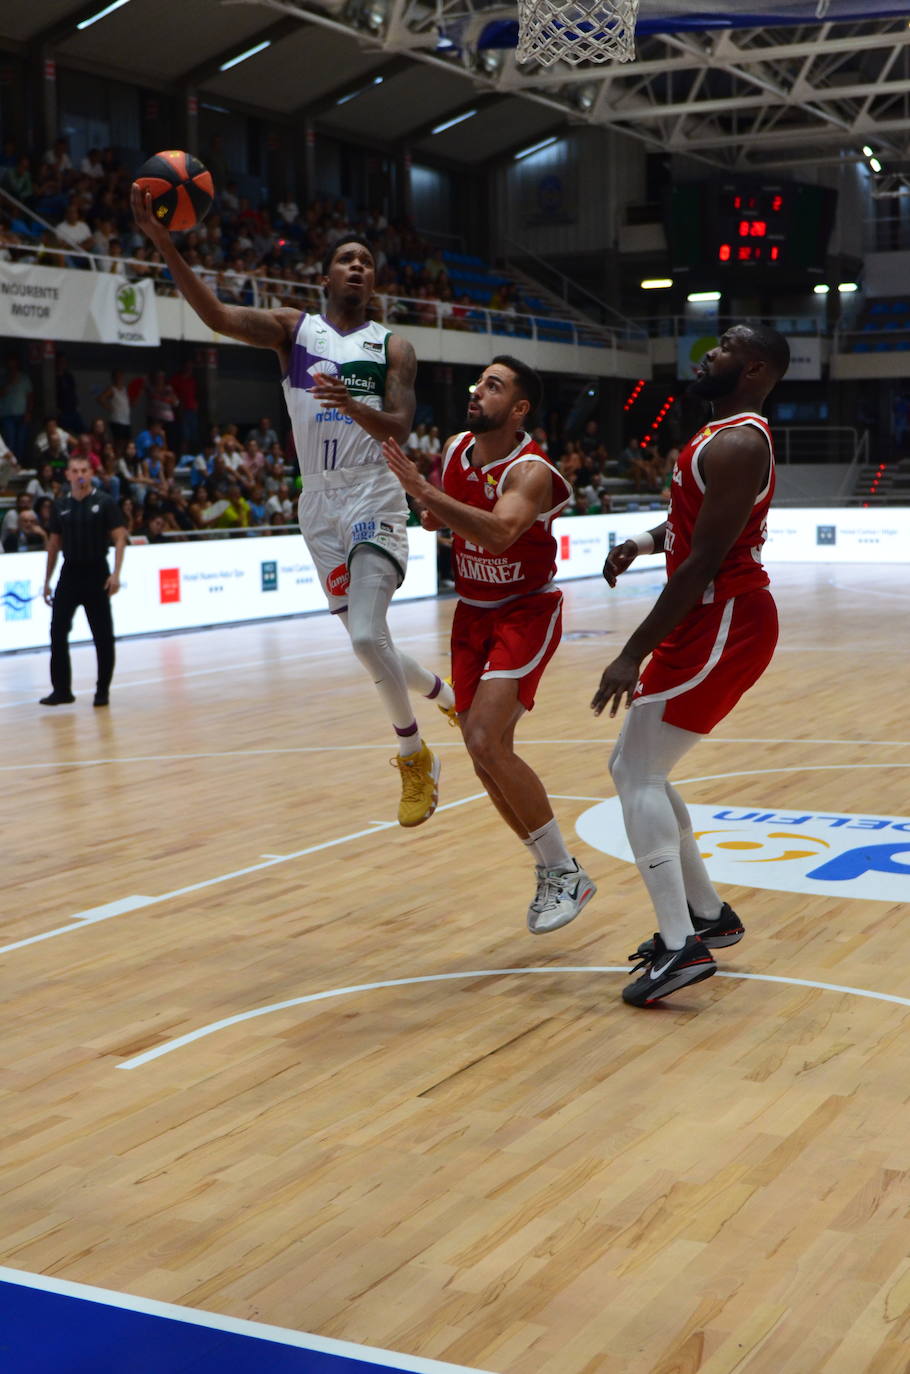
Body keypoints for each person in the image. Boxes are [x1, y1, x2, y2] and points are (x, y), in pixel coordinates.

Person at [132, 189, 455, 826]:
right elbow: (219, 317)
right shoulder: (293, 330)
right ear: (326, 276)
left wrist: (352, 405)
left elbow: (397, 424)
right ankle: (447, 694)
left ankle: (415, 755)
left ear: (374, 280)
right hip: (318, 501)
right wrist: (165, 242)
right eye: (346, 259)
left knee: (366, 634)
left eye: (367, 261)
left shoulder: (394, 347)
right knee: (374, 642)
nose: (357, 267)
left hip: (374, 488)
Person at [591, 323, 790, 1007]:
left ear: (755, 367)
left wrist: (630, 652)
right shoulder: (718, 436)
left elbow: (705, 558)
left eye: (728, 345)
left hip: (723, 620)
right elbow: (689, 529)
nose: (710, 350)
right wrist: (641, 542)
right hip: (711, 618)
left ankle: (681, 946)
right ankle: (706, 915)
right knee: (632, 768)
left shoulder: (739, 441)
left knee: (638, 771)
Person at [383, 356, 597, 933]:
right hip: (472, 613)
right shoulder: (455, 448)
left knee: (481, 736)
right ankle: (555, 870)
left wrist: (425, 492)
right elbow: (439, 516)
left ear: (520, 408)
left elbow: (501, 533)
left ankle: (563, 870)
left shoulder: (531, 472)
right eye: (479, 382)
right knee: (484, 756)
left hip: (525, 610)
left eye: (494, 386)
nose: (477, 390)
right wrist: (427, 510)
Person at [40, 453, 127, 707]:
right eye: (75, 470)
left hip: (97, 572)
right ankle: (62, 690)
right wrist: (47, 580)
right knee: (57, 632)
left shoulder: (105, 502)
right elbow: (54, 544)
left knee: (102, 635)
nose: (79, 475)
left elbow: (120, 538)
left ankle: (102, 691)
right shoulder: (60, 505)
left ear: (91, 474)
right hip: (69, 573)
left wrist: (116, 574)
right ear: (67, 475)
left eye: (84, 470)